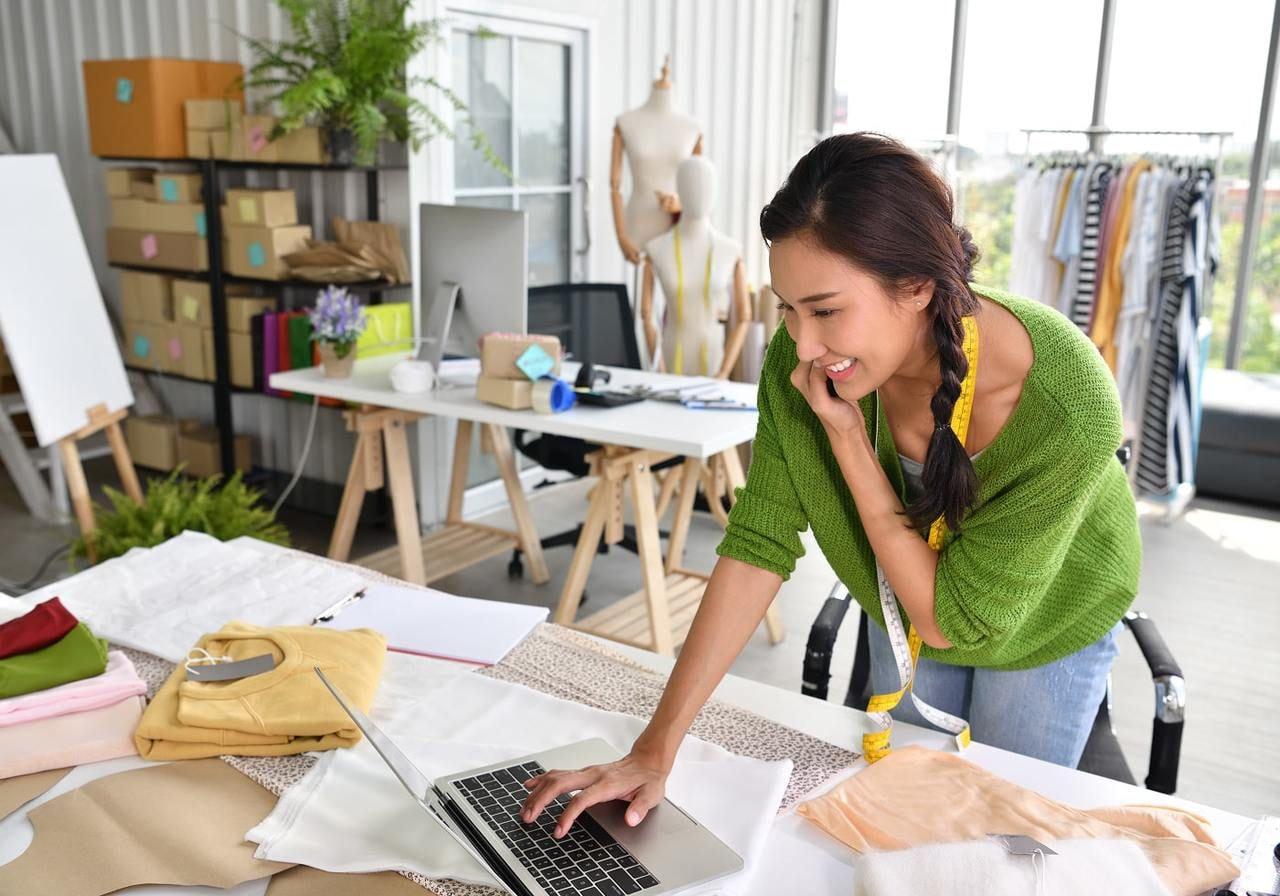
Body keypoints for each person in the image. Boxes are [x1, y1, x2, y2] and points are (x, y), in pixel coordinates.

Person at [521, 132, 1141, 839]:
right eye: (786, 308)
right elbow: (758, 542)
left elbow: (949, 621)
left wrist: (849, 441)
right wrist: (653, 750)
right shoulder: (808, 361)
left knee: (1007, 843)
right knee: (907, 827)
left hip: (1045, 623)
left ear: (918, 286)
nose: (802, 344)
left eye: (824, 310)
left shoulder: (1065, 402)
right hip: (907, 600)